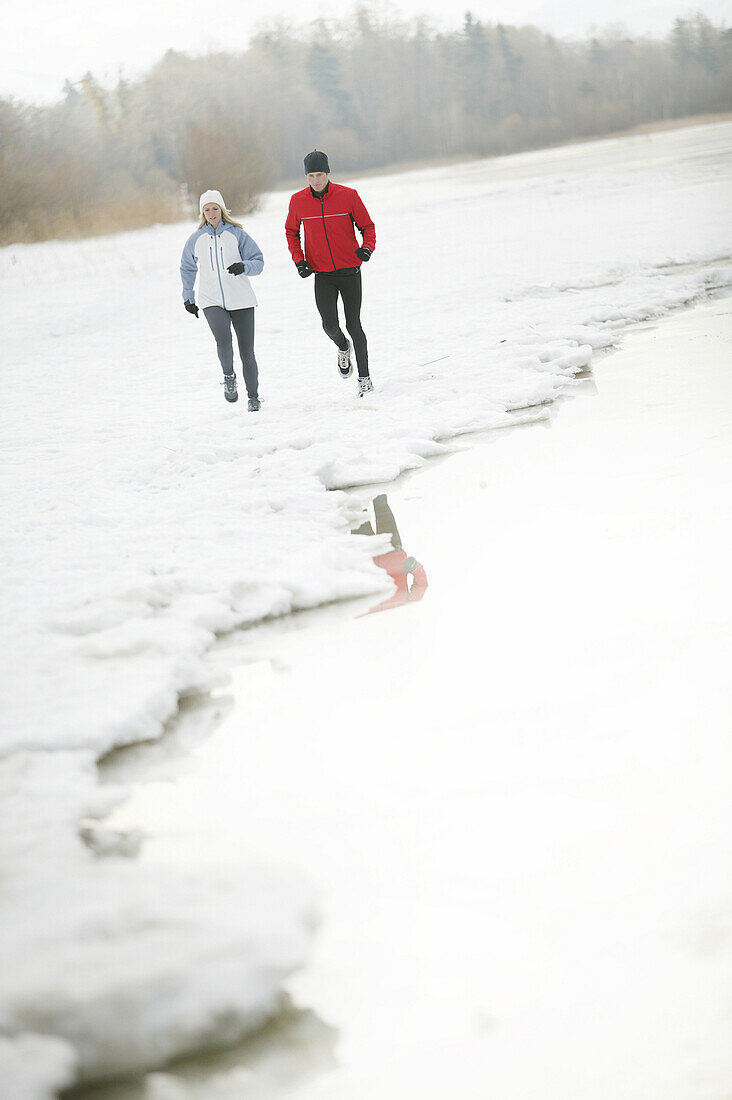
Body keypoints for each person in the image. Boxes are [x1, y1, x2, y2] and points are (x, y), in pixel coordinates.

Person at [285, 150, 376, 397]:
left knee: (354, 324)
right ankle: (343, 347)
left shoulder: (348, 196)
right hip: (322, 274)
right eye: (311, 175)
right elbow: (291, 232)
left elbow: (367, 226)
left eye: (320, 174)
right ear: (306, 176)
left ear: (328, 173)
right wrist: (299, 260)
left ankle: (365, 379)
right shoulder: (298, 201)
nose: (316, 180)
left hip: (350, 271)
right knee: (329, 325)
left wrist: (367, 248)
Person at [180, 189, 264, 410]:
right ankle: (229, 376)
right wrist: (188, 297)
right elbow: (187, 268)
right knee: (224, 342)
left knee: (247, 351)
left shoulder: (237, 234)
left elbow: (258, 261)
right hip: (211, 300)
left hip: (241, 300)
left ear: (222, 210)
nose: (211, 213)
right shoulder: (196, 239)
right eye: (206, 210)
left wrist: (244, 266)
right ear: (202, 213)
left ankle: (253, 397)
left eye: (215, 208)